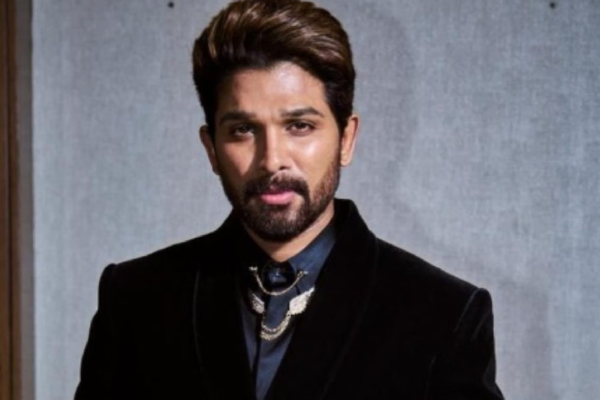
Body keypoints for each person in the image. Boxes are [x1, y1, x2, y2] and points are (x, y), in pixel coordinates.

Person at [75, 0, 504, 399]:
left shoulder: (443, 315)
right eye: (243, 130)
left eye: (299, 126)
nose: (272, 160)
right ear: (212, 149)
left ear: (346, 139)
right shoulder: (134, 299)